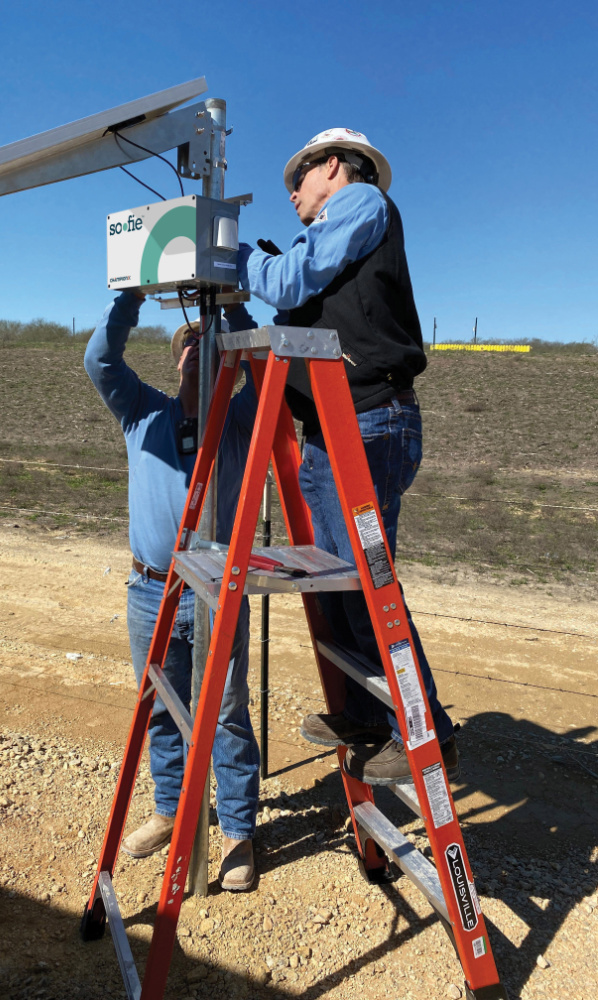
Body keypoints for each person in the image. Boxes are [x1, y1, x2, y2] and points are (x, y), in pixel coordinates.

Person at [235, 128, 458, 785]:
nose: (293, 195)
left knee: (366, 579)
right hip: (331, 429)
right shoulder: (329, 231)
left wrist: (236, 257)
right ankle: (364, 710)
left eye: (296, 182)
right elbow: (296, 287)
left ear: (332, 167)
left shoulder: (361, 205)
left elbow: (289, 279)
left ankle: (427, 733)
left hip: (366, 421)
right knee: (334, 580)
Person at [84, 291, 260, 889]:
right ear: (175, 360)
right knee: (161, 708)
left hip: (213, 590)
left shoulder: (236, 418)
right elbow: (99, 362)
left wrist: (233, 312)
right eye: (187, 346)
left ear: (222, 357)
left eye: (206, 346)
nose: (195, 354)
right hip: (149, 591)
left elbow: (267, 380)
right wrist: (128, 300)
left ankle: (236, 831)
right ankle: (170, 810)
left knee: (228, 712)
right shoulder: (143, 412)